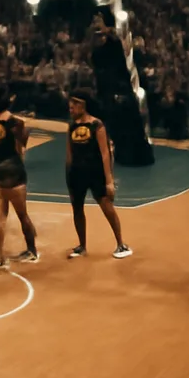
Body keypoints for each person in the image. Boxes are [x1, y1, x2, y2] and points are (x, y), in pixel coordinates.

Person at [65, 88, 132, 259]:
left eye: (73, 106)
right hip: (77, 174)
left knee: (106, 206)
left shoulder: (97, 125)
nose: (71, 109)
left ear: (82, 106)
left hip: (95, 173)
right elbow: (69, 154)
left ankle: (121, 244)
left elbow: (105, 154)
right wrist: (68, 175)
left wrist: (109, 181)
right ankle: (82, 246)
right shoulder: (71, 126)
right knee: (77, 209)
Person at [0, 83, 37, 267]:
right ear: (11, 100)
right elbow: (23, 143)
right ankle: (32, 251)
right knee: (22, 215)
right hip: (14, 172)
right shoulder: (15, 122)